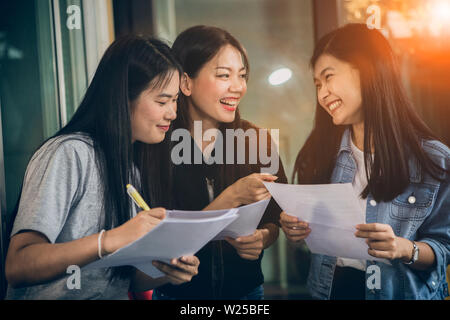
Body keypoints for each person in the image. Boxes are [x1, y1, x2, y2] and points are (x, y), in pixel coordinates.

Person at [5, 35, 200, 300]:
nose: (173, 113)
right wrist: (108, 240)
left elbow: (120, 279)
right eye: (162, 101)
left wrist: (168, 271)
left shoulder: (129, 169)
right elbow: (19, 265)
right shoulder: (70, 153)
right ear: (123, 97)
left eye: (175, 100)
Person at [280, 23, 449, 300]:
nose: (322, 94)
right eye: (317, 84)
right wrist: (297, 230)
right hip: (331, 291)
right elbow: (312, 240)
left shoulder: (434, 159)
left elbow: (444, 247)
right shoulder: (320, 152)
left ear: (367, 70)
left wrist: (405, 248)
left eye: (329, 77)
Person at [152, 25, 287, 300]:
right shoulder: (157, 144)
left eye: (242, 76)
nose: (237, 87)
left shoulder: (256, 140)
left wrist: (262, 238)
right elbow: (162, 238)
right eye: (224, 75)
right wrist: (233, 195)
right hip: (177, 296)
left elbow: (276, 219)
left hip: (247, 295)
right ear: (186, 83)